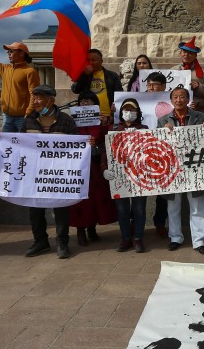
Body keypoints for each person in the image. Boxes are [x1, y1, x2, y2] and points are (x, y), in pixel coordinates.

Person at [8, 84, 79, 260]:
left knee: (61, 209)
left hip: (58, 175)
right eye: (35, 98)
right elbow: (19, 144)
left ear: (51, 100)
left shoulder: (66, 121)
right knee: (35, 209)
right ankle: (40, 241)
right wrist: (0, 139)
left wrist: (88, 144)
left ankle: (62, 242)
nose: (36, 102)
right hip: (35, 174)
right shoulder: (29, 121)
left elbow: (77, 146)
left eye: (39, 98)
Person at [158, 86, 204, 255]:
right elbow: (157, 142)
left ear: (188, 100)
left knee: (197, 206)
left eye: (182, 96)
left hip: (195, 168)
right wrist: (162, 131)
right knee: (173, 205)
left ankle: (199, 240)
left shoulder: (200, 117)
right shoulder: (163, 120)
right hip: (172, 169)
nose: (179, 100)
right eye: (175, 97)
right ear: (171, 100)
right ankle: (175, 238)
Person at [69, 90, 117, 245]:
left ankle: (92, 228)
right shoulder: (72, 122)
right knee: (81, 200)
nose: (85, 104)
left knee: (96, 198)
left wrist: (106, 123)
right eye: (82, 101)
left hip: (96, 165)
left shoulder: (100, 121)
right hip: (78, 165)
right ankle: (80, 230)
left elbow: (108, 139)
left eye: (89, 101)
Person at [112, 98, 150, 252]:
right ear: (121, 112)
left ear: (138, 112)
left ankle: (138, 237)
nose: (129, 113)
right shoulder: (114, 128)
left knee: (139, 208)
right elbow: (105, 151)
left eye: (132, 110)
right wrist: (104, 169)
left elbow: (150, 149)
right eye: (126, 110)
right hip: (119, 176)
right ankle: (125, 237)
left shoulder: (144, 128)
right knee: (122, 209)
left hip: (139, 175)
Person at [144, 70, 170, 236]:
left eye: (155, 85)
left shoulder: (172, 101)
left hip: (163, 150)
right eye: (149, 85)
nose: (151, 88)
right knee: (141, 189)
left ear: (164, 87)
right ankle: (135, 222)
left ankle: (160, 222)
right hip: (143, 148)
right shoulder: (140, 101)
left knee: (163, 192)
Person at [72, 48, 123, 117]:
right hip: (89, 115)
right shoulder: (83, 74)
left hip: (108, 115)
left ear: (101, 61)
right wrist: (84, 75)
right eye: (88, 60)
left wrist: (114, 112)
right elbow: (75, 89)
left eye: (93, 60)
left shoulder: (112, 75)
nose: (90, 63)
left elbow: (119, 94)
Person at [173, 38, 204, 111]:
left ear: (195, 56)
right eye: (184, 52)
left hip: (198, 111)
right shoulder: (173, 70)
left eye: (190, 53)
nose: (186, 55)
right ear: (180, 54)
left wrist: (199, 87)